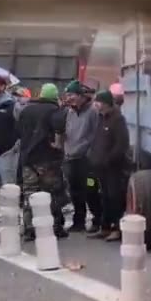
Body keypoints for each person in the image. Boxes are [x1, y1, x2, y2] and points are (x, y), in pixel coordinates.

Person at [17, 83, 69, 242]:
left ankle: (28, 229)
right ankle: (56, 227)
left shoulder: (26, 110)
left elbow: (19, 131)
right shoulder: (55, 111)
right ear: (55, 96)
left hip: (27, 159)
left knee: (29, 194)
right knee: (52, 193)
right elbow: (59, 129)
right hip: (48, 159)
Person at [88, 90, 130, 241]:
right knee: (104, 196)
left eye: (98, 101)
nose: (96, 104)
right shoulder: (100, 118)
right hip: (100, 168)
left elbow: (121, 144)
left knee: (115, 197)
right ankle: (104, 227)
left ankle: (117, 228)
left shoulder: (118, 120)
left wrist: (109, 160)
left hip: (114, 168)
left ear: (106, 103)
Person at [61, 81, 102, 235]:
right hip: (71, 158)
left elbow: (95, 134)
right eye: (67, 95)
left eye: (71, 95)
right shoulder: (70, 112)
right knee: (74, 191)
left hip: (87, 160)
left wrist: (88, 151)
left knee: (91, 189)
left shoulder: (92, 112)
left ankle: (98, 220)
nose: (69, 98)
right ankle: (79, 220)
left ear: (80, 96)